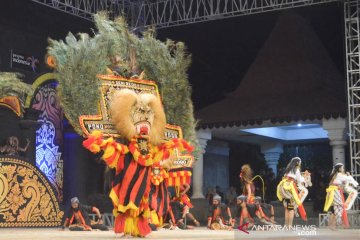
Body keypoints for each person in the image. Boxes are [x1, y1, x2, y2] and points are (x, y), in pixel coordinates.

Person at [323, 163, 359, 230]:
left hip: (333, 192)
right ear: (339, 169)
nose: (343, 169)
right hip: (335, 191)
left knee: (334, 210)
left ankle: (332, 225)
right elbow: (347, 179)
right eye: (342, 168)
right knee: (339, 206)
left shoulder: (335, 174)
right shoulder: (339, 175)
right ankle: (337, 223)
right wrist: (349, 175)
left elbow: (343, 181)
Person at [276, 157, 307, 226]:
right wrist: (304, 178)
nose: (300, 164)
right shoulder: (296, 169)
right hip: (290, 187)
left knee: (287, 208)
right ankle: (289, 225)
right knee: (291, 208)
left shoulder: (288, 169)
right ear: (297, 163)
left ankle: (287, 225)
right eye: (299, 162)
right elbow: (299, 180)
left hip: (284, 187)